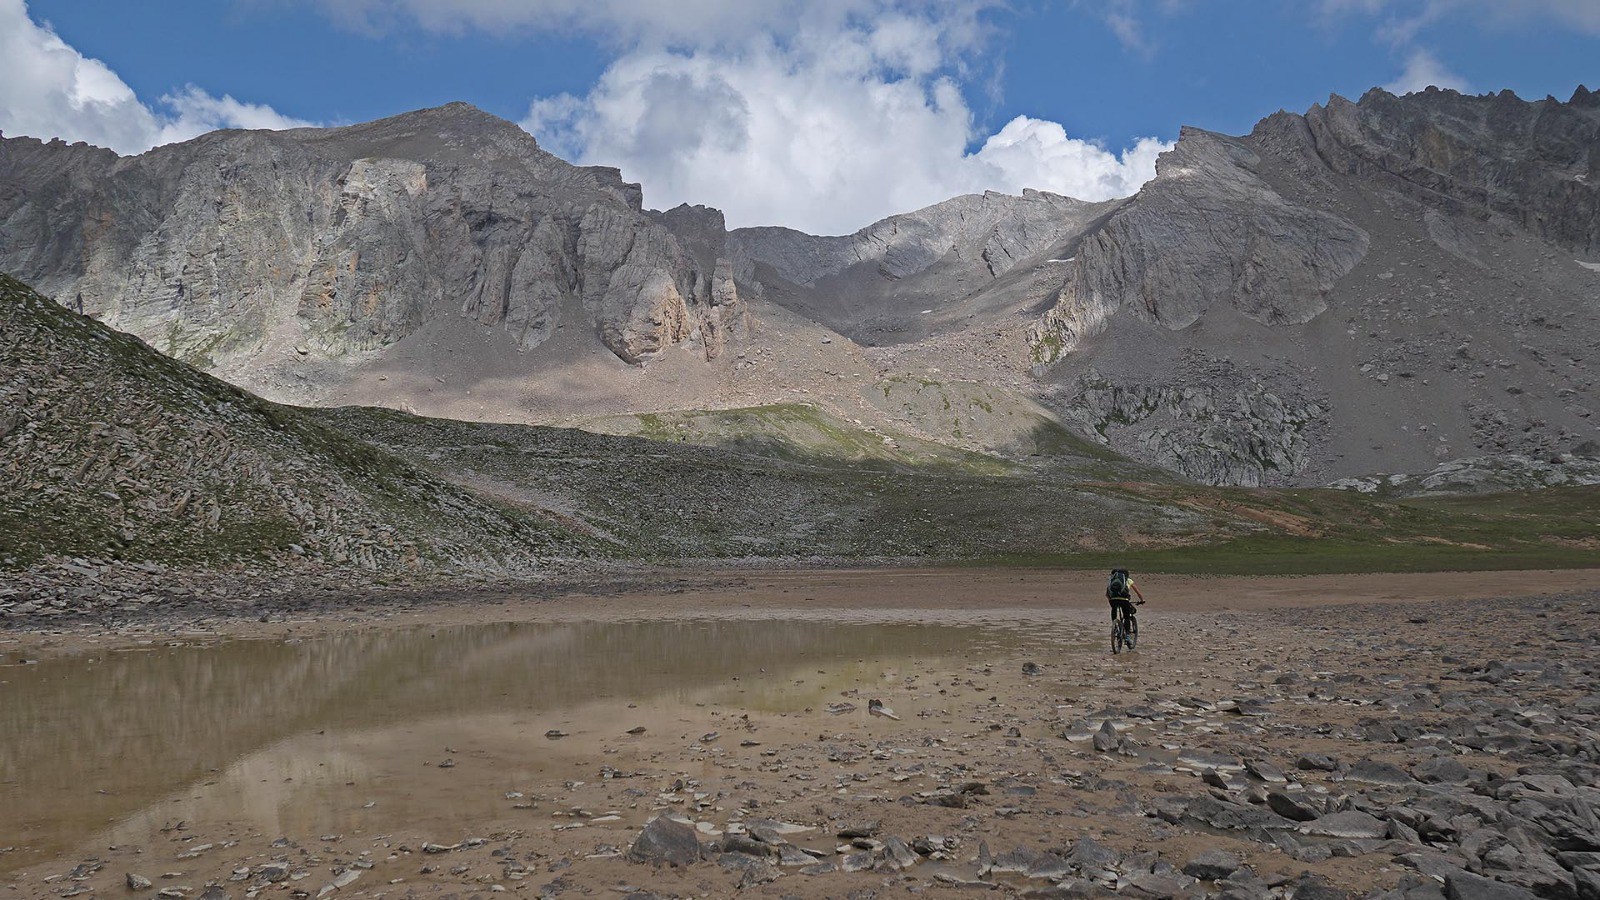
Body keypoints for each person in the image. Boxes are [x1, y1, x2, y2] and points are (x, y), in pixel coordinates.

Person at [1105, 568, 1145, 639]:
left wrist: (1111, 601)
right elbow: (1137, 592)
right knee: (1126, 617)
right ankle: (1127, 635)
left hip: (1113, 600)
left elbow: (1107, 594)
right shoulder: (1128, 580)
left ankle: (1115, 627)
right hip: (1124, 600)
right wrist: (1142, 600)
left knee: (1114, 610)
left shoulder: (1112, 580)